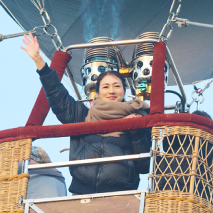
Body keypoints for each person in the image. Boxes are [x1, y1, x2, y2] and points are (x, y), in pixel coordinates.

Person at [21, 33, 152, 195]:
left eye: (117, 86)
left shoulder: (139, 119)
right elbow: (57, 95)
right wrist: (39, 61)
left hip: (121, 198)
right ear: (96, 93)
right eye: (105, 87)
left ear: (124, 91)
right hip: (81, 197)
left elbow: (145, 166)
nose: (111, 91)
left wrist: (135, 132)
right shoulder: (82, 117)